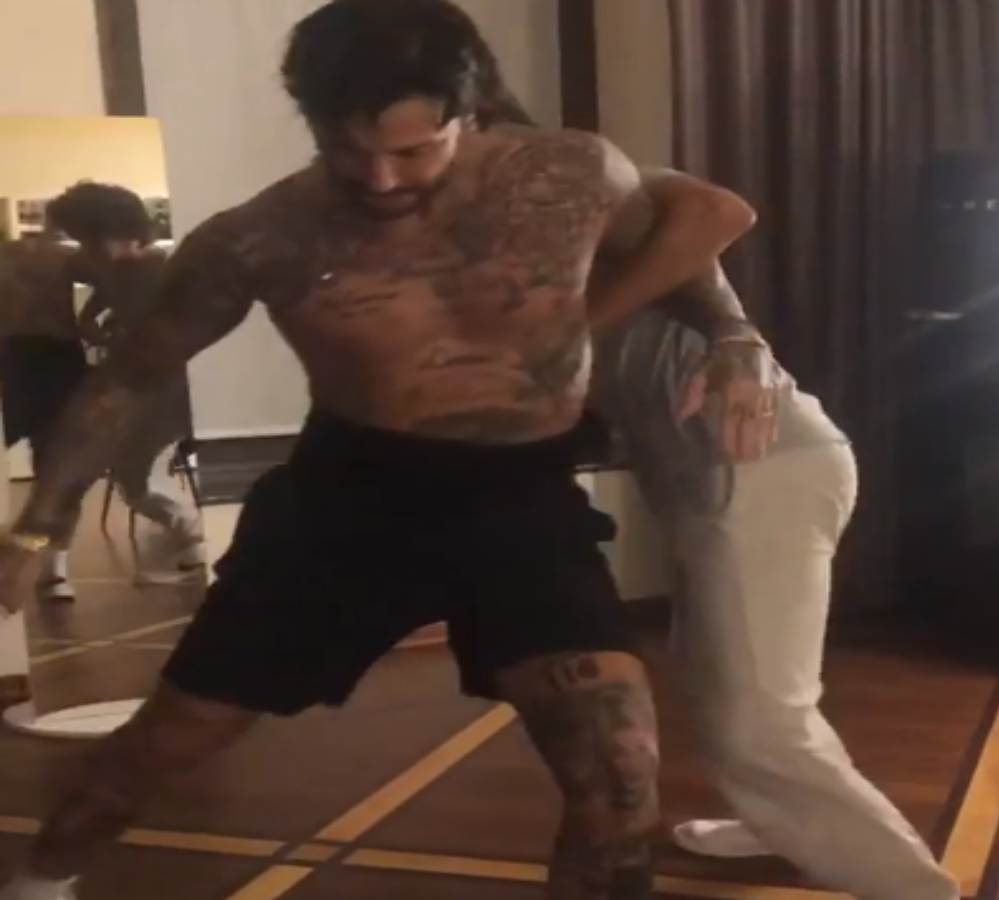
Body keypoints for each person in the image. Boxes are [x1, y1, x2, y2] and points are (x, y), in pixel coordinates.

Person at [0, 1, 755, 899]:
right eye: (348, 151)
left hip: (522, 503)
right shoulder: (261, 237)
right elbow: (128, 377)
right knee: (164, 742)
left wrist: (734, 334)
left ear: (467, 113)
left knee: (621, 774)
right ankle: (39, 881)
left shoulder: (571, 175)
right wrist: (37, 525)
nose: (382, 179)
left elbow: (681, 250)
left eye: (413, 151)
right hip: (348, 507)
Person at [588, 250, 961, 900]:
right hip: (717, 480)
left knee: (761, 719)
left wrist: (738, 338)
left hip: (764, 470)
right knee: (715, 677)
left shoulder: (600, 217)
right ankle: (783, 827)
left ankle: (914, 888)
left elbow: (717, 214)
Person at [49, 183, 206, 577]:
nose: (83, 249)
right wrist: (97, 326)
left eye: (87, 239)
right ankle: (191, 538)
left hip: (172, 387)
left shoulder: (165, 266)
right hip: (141, 385)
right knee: (131, 478)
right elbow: (97, 310)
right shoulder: (112, 269)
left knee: (135, 477)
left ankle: (194, 537)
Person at [0, 221, 89, 601]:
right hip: (24, 354)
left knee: (60, 465)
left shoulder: (65, 255)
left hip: (52, 358)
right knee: (59, 466)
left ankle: (54, 567)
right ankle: (50, 567)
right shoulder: (61, 255)